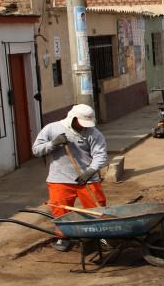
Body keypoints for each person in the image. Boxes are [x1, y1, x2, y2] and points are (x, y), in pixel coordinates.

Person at [32, 104, 108, 252]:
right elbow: (36, 150)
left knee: (97, 208)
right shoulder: (52, 129)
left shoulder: (94, 133)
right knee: (60, 210)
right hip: (60, 178)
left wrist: (90, 171)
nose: (84, 126)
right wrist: (53, 143)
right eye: (81, 123)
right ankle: (63, 236)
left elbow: (100, 155)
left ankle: (100, 235)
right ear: (72, 118)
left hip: (87, 178)